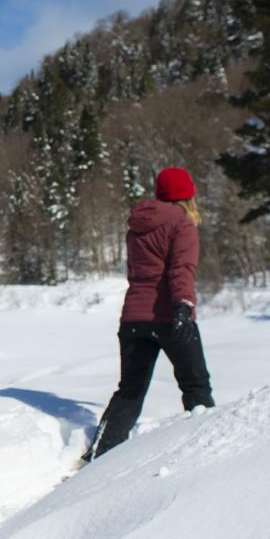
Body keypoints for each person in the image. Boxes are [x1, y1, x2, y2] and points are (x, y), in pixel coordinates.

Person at [84, 166, 215, 462]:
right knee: (196, 386)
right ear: (187, 196)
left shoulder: (137, 226)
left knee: (129, 391)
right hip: (170, 315)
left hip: (133, 318)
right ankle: (208, 453)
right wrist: (184, 305)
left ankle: (100, 455)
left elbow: (140, 273)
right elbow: (181, 270)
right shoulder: (182, 225)